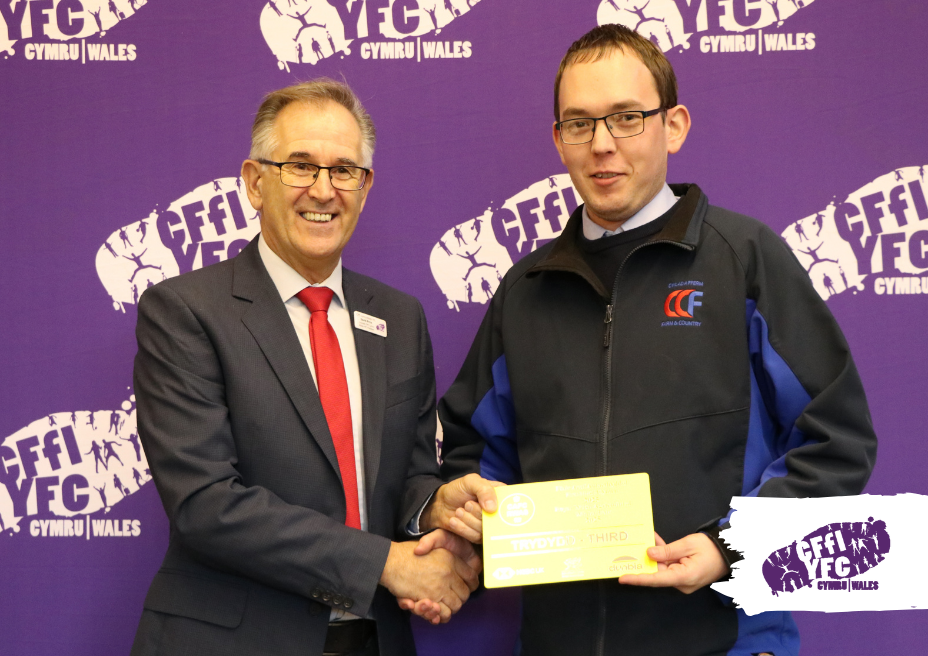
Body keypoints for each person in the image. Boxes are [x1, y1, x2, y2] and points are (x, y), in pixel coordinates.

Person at [437, 25, 877, 656]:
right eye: (580, 123)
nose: (602, 144)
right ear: (559, 139)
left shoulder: (745, 261)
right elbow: (476, 458)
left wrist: (730, 549)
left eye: (626, 118)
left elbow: (837, 442)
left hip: (725, 640)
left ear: (673, 126)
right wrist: (468, 527)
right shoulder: (524, 290)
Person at [131, 79, 496, 656]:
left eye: (344, 170)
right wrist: (387, 564)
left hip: (373, 638)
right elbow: (206, 504)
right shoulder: (184, 312)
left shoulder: (400, 319)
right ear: (255, 182)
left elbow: (408, 476)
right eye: (300, 166)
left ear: (364, 187)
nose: (323, 190)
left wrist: (433, 509)